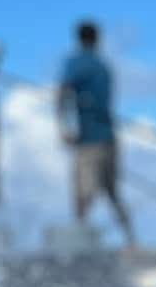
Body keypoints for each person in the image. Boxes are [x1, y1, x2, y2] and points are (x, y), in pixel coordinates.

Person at [57, 20, 135, 247]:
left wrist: (64, 127)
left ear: (78, 39)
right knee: (112, 192)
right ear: (97, 39)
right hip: (109, 138)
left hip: (88, 141)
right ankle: (132, 241)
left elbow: (62, 94)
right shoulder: (104, 67)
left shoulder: (76, 64)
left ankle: (78, 241)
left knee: (83, 193)